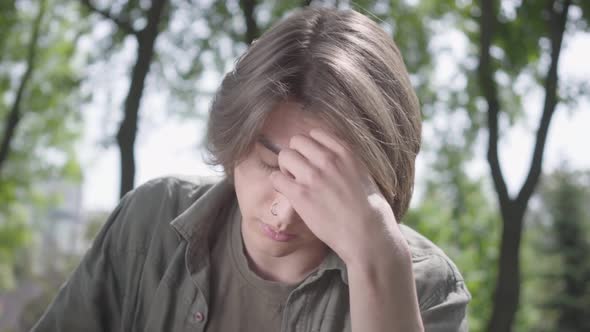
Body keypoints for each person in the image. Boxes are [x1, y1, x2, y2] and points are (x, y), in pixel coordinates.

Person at [32, 6, 471, 332]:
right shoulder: (150, 223)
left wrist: (377, 258)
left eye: (320, 182)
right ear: (234, 142)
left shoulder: (423, 284)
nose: (285, 212)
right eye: (270, 165)